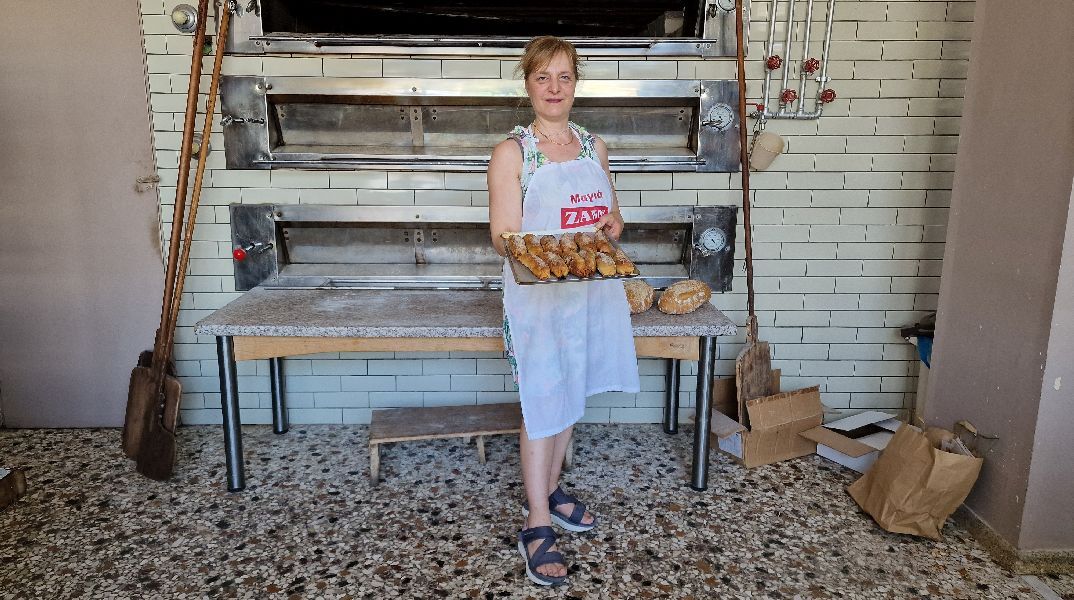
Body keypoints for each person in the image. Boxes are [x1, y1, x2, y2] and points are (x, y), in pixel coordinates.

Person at [487, 35, 641, 586]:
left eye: (564, 77)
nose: (554, 88)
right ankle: (536, 522)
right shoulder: (512, 153)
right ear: (527, 84)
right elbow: (502, 235)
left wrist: (612, 226)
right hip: (537, 298)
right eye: (542, 77)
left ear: (576, 84)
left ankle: (551, 490)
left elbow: (609, 215)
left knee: (572, 389)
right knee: (542, 398)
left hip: (590, 292)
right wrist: (548, 252)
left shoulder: (593, 146)